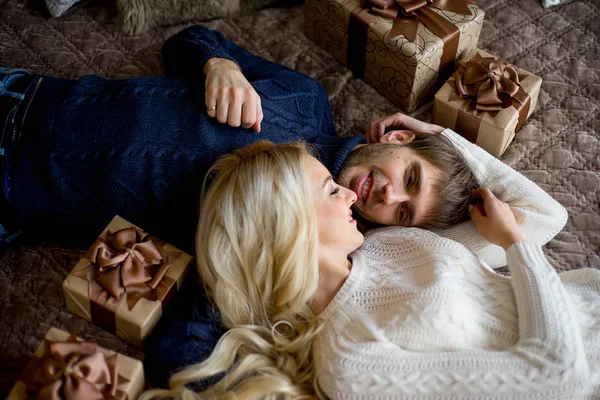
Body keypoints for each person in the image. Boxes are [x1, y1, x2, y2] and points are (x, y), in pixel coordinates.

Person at [141, 139, 599, 399]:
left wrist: (432, 137)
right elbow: (561, 376)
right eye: (328, 189)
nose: (351, 195)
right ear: (291, 223)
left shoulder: (388, 242)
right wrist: (514, 245)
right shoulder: (350, 363)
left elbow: (541, 217)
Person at [0, 25, 480, 252]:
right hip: (30, 95)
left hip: (15, 194)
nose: (389, 196)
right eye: (410, 177)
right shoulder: (304, 98)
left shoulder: (296, 232)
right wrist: (219, 64)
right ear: (398, 135)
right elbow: (185, 41)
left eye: (402, 213)